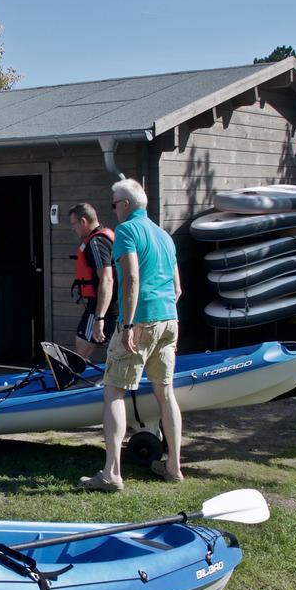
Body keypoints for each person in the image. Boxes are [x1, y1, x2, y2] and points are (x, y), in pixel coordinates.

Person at [80, 178, 182, 492]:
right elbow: (178, 288)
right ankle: (174, 467)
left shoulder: (126, 231)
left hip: (140, 322)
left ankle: (112, 474)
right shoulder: (164, 235)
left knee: (113, 391)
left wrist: (127, 325)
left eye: (113, 204)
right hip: (169, 318)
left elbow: (132, 278)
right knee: (166, 394)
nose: (113, 209)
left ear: (125, 204)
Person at [67, 203, 117, 361]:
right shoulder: (104, 237)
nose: (72, 228)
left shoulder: (96, 243)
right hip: (111, 306)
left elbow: (107, 278)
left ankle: (72, 383)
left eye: (73, 224)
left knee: (81, 351)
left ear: (83, 221)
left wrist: (99, 317)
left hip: (101, 307)